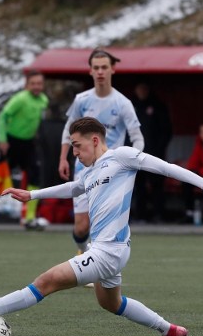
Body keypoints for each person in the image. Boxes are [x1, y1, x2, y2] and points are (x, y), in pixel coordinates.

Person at [0, 117, 203, 336]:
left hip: (109, 250)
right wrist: (32, 195)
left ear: (94, 140)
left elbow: (166, 168)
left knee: (46, 280)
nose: (74, 151)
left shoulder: (122, 156)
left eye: (76, 145)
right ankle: (169, 330)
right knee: (111, 303)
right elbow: (74, 187)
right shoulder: (90, 171)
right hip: (107, 249)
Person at [58, 48, 144, 257]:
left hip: (111, 173)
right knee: (81, 227)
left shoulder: (123, 103)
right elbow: (68, 130)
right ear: (90, 71)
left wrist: (131, 160)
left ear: (112, 69)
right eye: (96, 68)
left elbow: (137, 137)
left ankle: (94, 264)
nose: (100, 72)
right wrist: (63, 158)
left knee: (102, 223)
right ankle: (82, 250)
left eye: (104, 67)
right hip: (83, 170)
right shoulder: (82, 100)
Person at [0, 70, 49, 231]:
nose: (37, 87)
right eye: (33, 84)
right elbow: (3, 116)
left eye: (39, 84)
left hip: (29, 144)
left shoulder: (43, 100)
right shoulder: (20, 99)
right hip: (11, 143)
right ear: (27, 85)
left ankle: (30, 218)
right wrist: (2, 139)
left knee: (35, 176)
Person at [131, 83, 173, 223]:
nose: (141, 91)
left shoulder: (158, 106)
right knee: (138, 185)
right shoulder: (131, 107)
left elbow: (166, 131)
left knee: (157, 185)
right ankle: (140, 215)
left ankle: (159, 214)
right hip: (135, 155)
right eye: (139, 88)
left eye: (144, 88)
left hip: (154, 154)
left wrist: (158, 150)